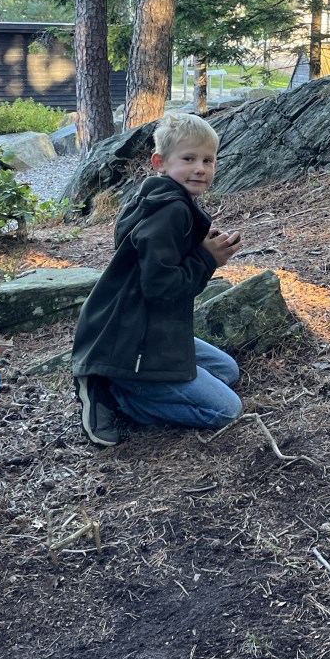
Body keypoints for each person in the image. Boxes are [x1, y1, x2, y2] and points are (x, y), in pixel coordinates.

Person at [71, 113, 243, 448]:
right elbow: (159, 286)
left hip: (151, 329)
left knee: (227, 371)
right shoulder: (170, 210)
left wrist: (196, 246)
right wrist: (207, 259)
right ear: (160, 162)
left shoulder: (157, 198)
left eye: (208, 160)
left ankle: (123, 378)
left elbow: (144, 255)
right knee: (226, 410)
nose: (200, 169)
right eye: (188, 159)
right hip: (131, 340)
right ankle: (114, 392)